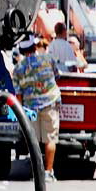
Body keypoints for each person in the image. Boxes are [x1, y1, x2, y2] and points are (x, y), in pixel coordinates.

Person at [12, 34, 61, 182]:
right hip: (50, 102)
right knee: (50, 139)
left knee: (33, 142)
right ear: (35, 46)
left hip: (31, 107)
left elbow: (18, 95)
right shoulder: (48, 59)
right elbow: (57, 76)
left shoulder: (18, 68)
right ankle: (48, 171)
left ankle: (37, 172)